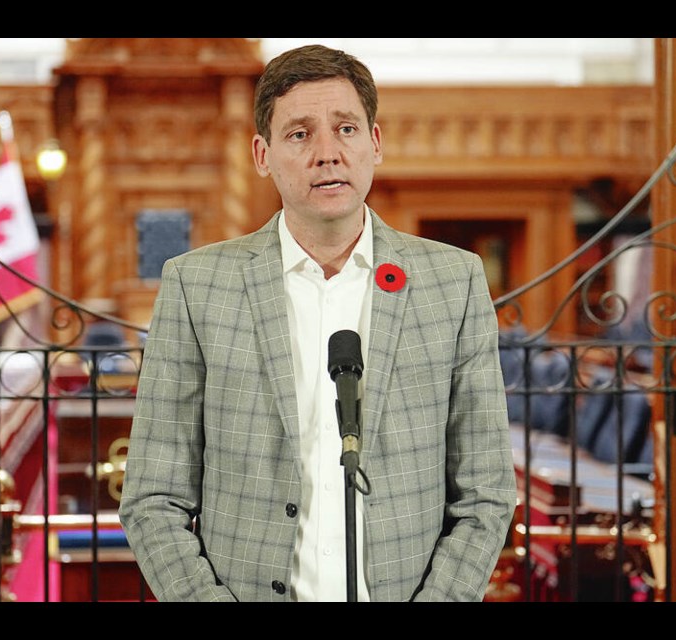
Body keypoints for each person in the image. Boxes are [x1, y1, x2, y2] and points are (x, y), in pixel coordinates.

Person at [119, 43, 517, 602]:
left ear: (375, 143)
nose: (327, 153)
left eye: (347, 129)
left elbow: (487, 493)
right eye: (300, 133)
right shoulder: (196, 287)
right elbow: (153, 498)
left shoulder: (453, 283)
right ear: (263, 154)